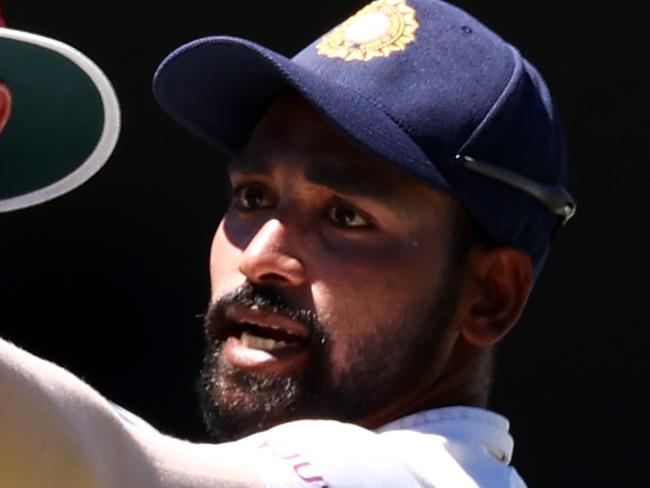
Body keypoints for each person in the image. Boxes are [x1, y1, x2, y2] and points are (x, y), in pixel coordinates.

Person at [1, 0, 575, 486]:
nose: (259, 258)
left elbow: (115, 464)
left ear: (491, 296)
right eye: (252, 197)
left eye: (345, 216)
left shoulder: (422, 474)